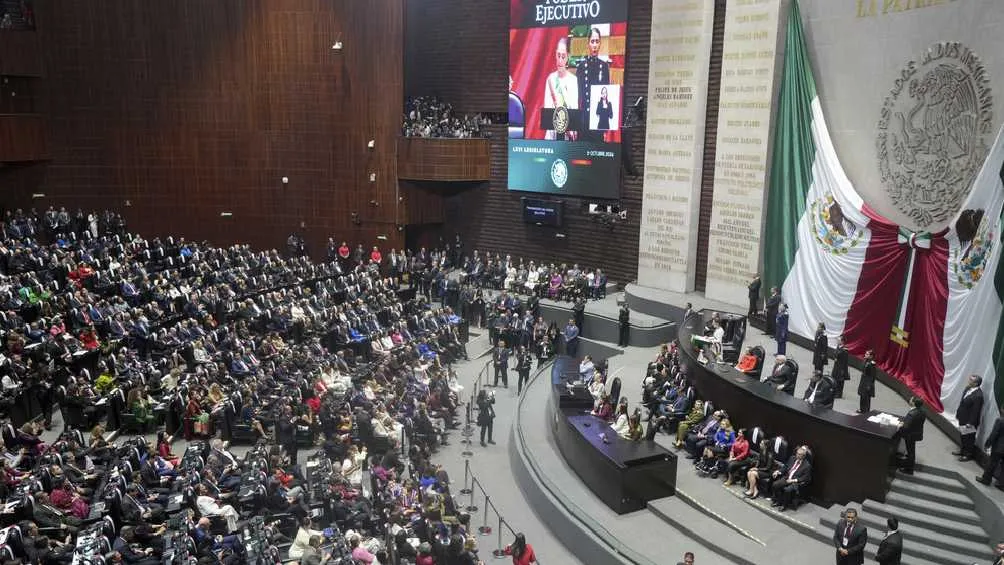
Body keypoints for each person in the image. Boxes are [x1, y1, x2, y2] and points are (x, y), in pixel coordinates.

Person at [543, 37, 579, 141]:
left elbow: (574, 109)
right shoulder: (550, 79)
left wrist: (572, 131)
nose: (560, 60)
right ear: (555, 54)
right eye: (558, 55)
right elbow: (547, 110)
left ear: (568, 56)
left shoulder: (573, 81)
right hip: (552, 134)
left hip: (567, 134)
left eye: (563, 56)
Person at [576, 27, 610, 127]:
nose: (594, 45)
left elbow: (606, 92)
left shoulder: (604, 67)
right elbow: (578, 95)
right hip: (584, 117)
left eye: (597, 41)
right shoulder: (582, 67)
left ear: (600, 44)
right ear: (588, 43)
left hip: (598, 117)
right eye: (592, 41)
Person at [770, 446, 811, 511]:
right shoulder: (792, 458)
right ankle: (779, 501)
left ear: (803, 456)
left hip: (795, 482)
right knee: (775, 484)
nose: (797, 455)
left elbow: (805, 478)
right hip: (787, 478)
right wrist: (778, 471)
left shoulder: (807, 465)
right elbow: (785, 467)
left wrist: (793, 480)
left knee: (787, 490)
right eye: (797, 453)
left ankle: (784, 505)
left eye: (799, 454)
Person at [954, 374, 984, 462]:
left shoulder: (979, 395)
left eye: (971, 380)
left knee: (969, 439)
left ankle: (968, 455)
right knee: (963, 436)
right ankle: (962, 451)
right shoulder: (967, 388)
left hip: (969, 421)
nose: (969, 381)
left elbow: (976, 411)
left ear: (976, 383)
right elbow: (962, 402)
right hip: (962, 417)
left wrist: (970, 423)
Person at [895, 397, 926, 474]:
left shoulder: (912, 413)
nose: (910, 400)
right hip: (916, 434)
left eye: (911, 399)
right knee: (911, 450)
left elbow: (906, 427)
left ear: (914, 403)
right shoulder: (923, 411)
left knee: (910, 452)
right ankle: (909, 464)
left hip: (909, 435)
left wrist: (901, 425)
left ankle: (909, 469)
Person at [977, 414, 1004, 487]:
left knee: (992, 463)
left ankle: (986, 479)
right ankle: (1001, 484)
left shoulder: (1000, 420)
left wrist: (987, 444)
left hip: (999, 447)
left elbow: (994, 434)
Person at [857, 349, 876, 414]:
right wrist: (864, 360)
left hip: (868, 383)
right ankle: (862, 409)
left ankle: (866, 412)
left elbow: (872, 376)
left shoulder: (872, 364)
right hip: (863, 381)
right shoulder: (866, 361)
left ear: (871, 356)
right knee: (862, 396)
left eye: (867, 354)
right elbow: (862, 368)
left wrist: (869, 385)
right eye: (865, 354)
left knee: (867, 398)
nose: (865, 355)